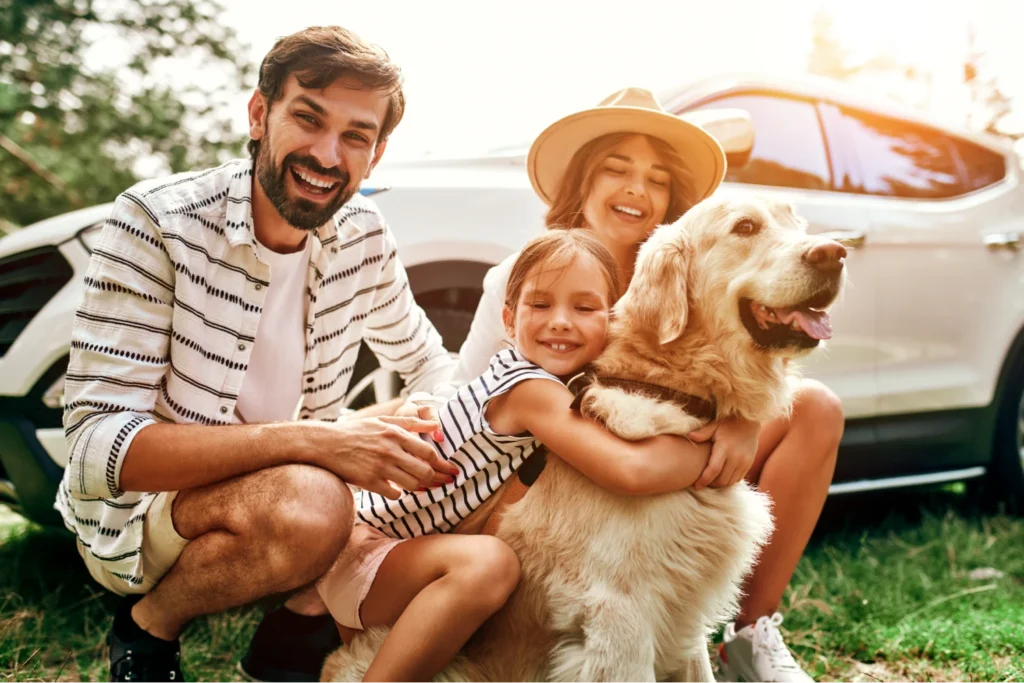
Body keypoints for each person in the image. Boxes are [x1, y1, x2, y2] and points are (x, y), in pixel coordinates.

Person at [56, 25, 462, 683]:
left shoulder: (362, 234)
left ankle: (300, 621)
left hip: (281, 496)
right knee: (312, 503)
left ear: (376, 153)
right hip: (150, 511)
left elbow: (430, 361)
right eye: (308, 118)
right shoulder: (156, 221)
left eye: (355, 136)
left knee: (476, 455)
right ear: (258, 113)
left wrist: (423, 427)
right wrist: (321, 441)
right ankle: (148, 625)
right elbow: (98, 450)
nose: (327, 154)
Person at [440, 87, 844, 683]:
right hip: (546, 472)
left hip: (659, 437)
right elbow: (469, 396)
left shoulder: (694, 259)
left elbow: (731, 367)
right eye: (616, 168)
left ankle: (749, 639)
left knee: (817, 407)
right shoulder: (529, 274)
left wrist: (743, 419)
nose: (637, 189)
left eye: (657, 179)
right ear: (581, 184)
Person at [317, 229, 715, 682]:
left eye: (584, 308)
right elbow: (628, 470)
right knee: (491, 564)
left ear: (612, 321)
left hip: (404, 551)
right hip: (369, 551)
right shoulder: (529, 390)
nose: (561, 321)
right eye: (540, 305)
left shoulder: (558, 381)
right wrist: (715, 454)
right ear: (508, 321)